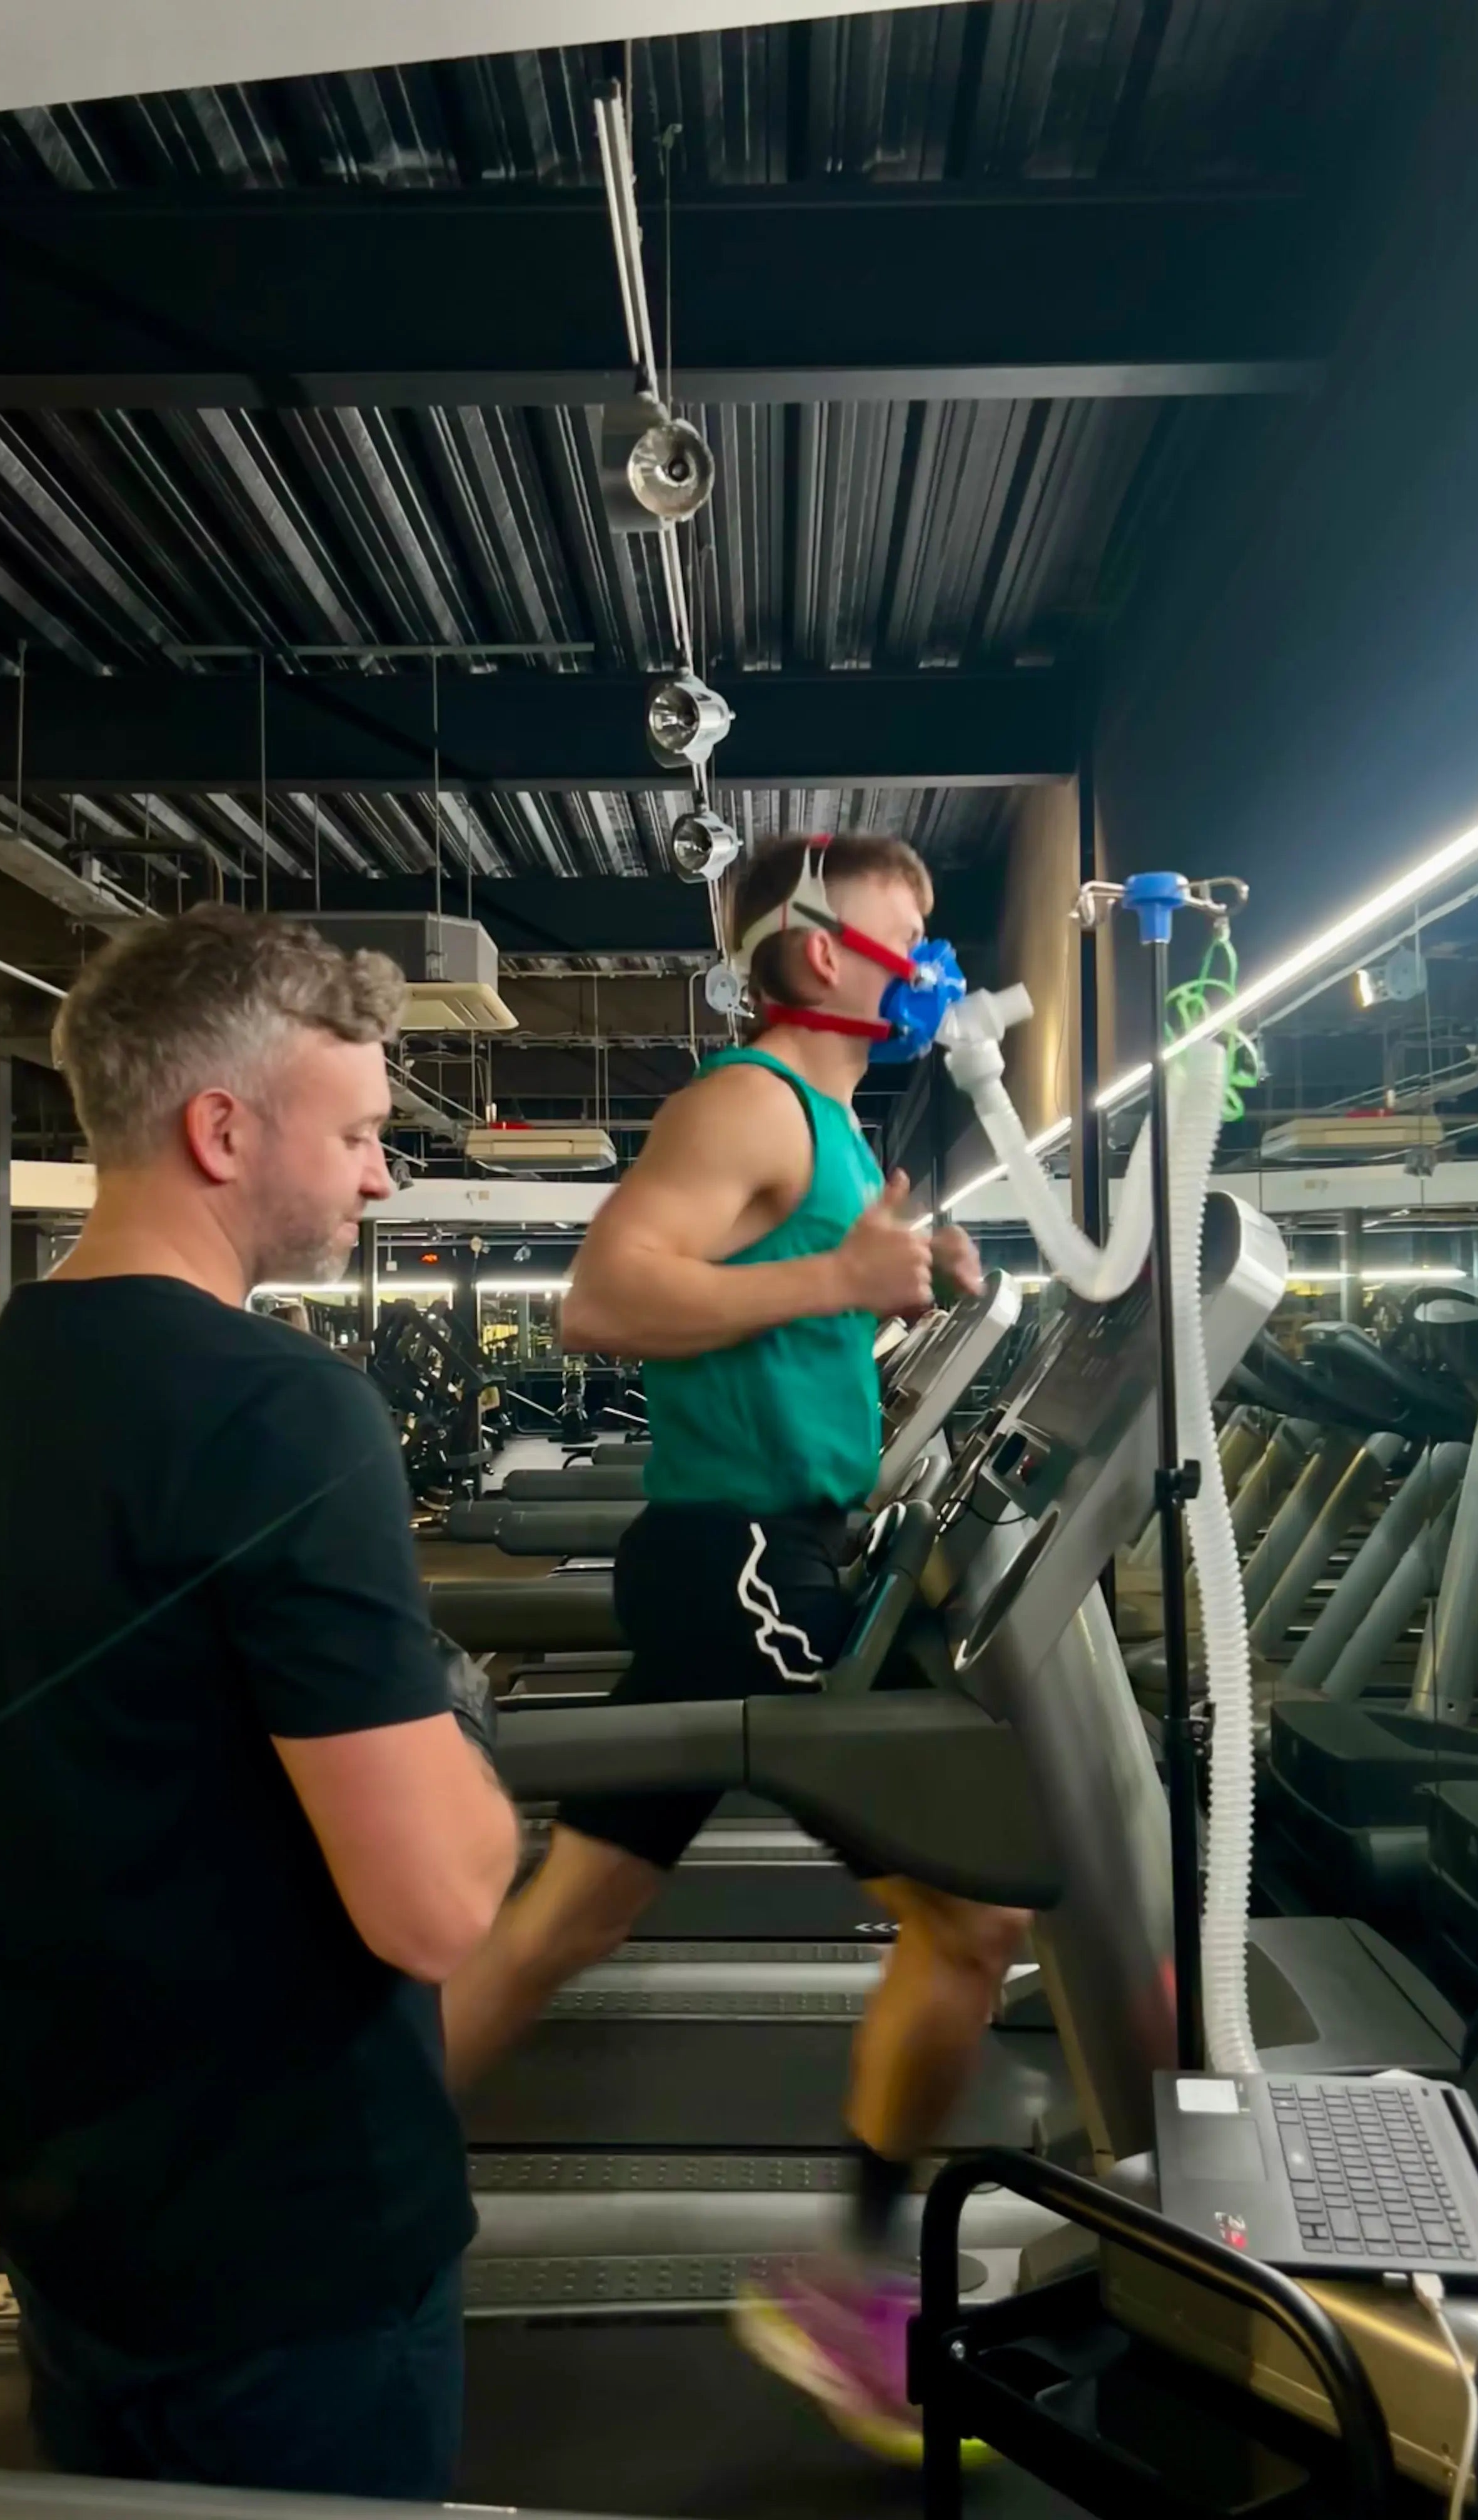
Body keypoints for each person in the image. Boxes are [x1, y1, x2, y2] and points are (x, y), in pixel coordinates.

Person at [0, 908, 520, 2501]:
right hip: (291, 2249)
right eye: (367, 1133)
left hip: (82, 2215)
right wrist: (465, 1741)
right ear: (222, 1127)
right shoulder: (283, 1407)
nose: (386, 1178)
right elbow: (439, 1907)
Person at [439, 833, 1029, 2462]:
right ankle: (848, 2281)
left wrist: (898, 1294)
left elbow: (775, 1308)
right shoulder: (750, 1103)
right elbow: (606, 1301)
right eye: (915, 940)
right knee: (973, 1920)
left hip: (756, 1553)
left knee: (564, 1922)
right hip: (750, 1566)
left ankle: (319, 2182)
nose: (940, 973)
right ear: (818, 955)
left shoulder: (830, 1128)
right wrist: (844, 1273)